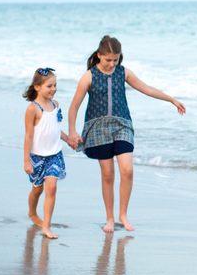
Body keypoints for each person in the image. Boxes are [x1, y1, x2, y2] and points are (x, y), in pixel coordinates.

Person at [68, 36, 186, 233]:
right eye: (108, 60)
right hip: (98, 128)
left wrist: (171, 99)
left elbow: (146, 88)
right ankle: (109, 218)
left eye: (115, 59)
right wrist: (72, 131)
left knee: (127, 170)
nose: (112, 63)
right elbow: (74, 108)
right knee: (107, 175)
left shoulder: (123, 72)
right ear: (99, 56)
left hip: (122, 125)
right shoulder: (88, 77)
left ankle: (123, 215)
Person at [23, 67, 69, 239]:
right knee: (37, 189)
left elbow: (57, 128)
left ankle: (46, 226)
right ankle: (32, 213)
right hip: (36, 156)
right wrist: (26, 160)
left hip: (54, 154)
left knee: (52, 187)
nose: (53, 89)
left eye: (55, 85)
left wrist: (68, 139)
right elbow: (28, 136)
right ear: (37, 87)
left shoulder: (56, 105)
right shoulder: (33, 109)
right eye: (49, 86)